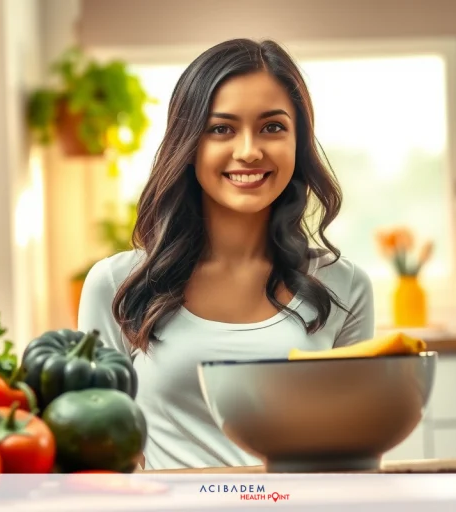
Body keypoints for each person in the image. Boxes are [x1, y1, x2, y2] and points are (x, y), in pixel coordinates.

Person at [78, 39, 375, 471]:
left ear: (299, 143)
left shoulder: (345, 286)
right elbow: (96, 463)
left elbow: (355, 458)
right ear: (189, 144)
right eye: (222, 129)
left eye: (272, 127)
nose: (249, 150)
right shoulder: (118, 286)